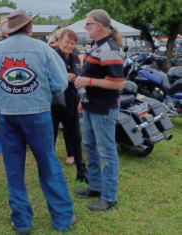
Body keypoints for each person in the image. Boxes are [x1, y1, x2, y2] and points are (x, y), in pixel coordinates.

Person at [0, 10, 76, 234]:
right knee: (49, 164)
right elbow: (61, 82)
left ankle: (21, 222)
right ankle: (62, 218)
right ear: (30, 28)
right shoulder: (43, 48)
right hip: (39, 114)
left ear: (10, 30)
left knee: (14, 169)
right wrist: (45, 90)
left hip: (6, 116)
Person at [74, 9, 124, 211]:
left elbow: (118, 83)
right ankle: (95, 186)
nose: (85, 27)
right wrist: (83, 99)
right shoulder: (96, 45)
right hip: (90, 105)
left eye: (88, 24)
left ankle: (110, 197)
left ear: (99, 26)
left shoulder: (110, 49)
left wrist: (88, 81)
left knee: (107, 152)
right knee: (90, 146)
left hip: (103, 108)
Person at [50, 29, 88, 183]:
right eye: (67, 42)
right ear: (59, 41)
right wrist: (63, 76)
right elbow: (43, 76)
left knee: (76, 136)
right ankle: (49, 172)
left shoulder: (74, 58)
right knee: (50, 138)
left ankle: (81, 169)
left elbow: (79, 79)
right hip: (53, 105)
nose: (70, 45)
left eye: (73, 43)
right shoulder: (52, 56)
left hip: (71, 103)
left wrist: (82, 99)